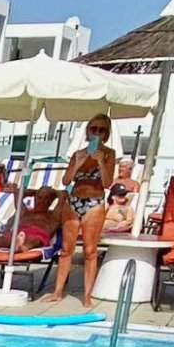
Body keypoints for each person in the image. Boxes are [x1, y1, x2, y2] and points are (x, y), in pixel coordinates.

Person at [43, 114, 116, 307]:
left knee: (90, 250)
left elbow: (107, 183)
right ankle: (58, 291)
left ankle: (87, 295)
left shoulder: (109, 154)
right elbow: (66, 181)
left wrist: (101, 162)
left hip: (94, 202)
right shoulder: (78, 154)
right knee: (66, 249)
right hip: (74, 200)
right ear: (87, 131)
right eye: (94, 129)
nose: (97, 133)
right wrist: (77, 163)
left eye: (101, 130)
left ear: (106, 134)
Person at [0, 186, 61, 253]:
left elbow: (63, 197)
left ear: (51, 201)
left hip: (37, 235)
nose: (42, 201)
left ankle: (19, 247)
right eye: (40, 198)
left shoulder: (53, 215)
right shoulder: (25, 212)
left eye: (47, 198)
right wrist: (34, 192)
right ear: (34, 198)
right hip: (16, 234)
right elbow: (18, 193)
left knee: (32, 241)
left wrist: (55, 194)